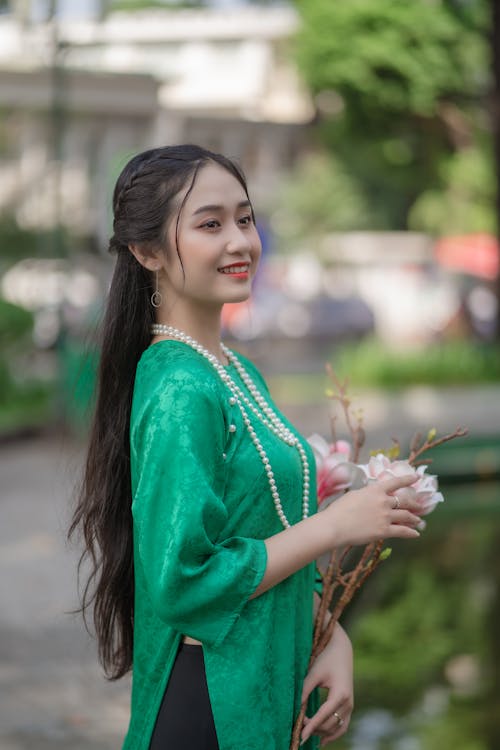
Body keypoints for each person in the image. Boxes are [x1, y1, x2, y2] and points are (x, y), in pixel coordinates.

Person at [69, 144, 422, 750]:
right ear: (146, 250)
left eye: (245, 218)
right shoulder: (181, 384)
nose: (240, 241)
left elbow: (260, 527)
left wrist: (331, 634)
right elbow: (182, 580)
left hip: (260, 678)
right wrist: (336, 526)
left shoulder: (234, 370)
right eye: (210, 224)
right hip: (211, 702)